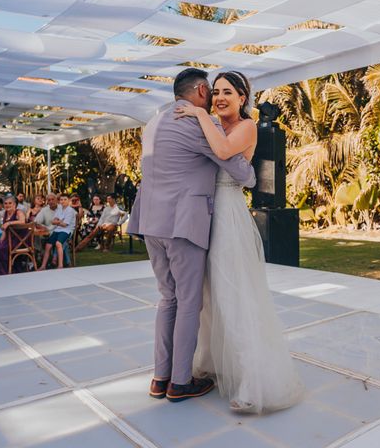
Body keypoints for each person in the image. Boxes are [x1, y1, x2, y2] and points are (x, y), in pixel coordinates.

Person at [175, 70, 303, 413]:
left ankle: (252, 380)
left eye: (227, 92)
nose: (219, 98)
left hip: (228, 215)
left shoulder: (245, 127)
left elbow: (222, 151)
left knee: (234, 295)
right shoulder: (214, 124)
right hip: (204, 214)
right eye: (215, 92)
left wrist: (200, 112)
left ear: (242, 98)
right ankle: (212, 362)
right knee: (206, 294)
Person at [127, 67, 256, 403]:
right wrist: (250, 171)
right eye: (212, 91)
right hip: (182, 223)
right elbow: (238, 169)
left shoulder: (154, 122)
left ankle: (160, 377)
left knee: (167, 298)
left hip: (150, 222)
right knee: (189, 301)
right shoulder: (202, 122)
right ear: (200, 90)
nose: (215, 97)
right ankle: (180, 382)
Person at [0, 194, 26, 276]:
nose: (7, 205)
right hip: (8, 239)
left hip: (18, 240)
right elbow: (4, 231)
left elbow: (22, 221)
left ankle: (3, 272)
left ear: (14, 204)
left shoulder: (18, 212)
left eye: (10, 203)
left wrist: (9, 223)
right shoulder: (5, 214)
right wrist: (1, 240)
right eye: (6, 203)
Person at [38, 193, 77, 270]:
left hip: (67, 230)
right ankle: (43, 266)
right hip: (58, 229)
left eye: (65, 199)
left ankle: (60, 265)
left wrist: (58, 222)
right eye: (61, 200)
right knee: (48, 245)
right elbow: (53, 221)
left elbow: (65, 225)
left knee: (58, 243)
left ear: (69, 200)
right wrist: (59, 221)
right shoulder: (59, 209)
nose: (63, 201)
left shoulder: (70, 211)